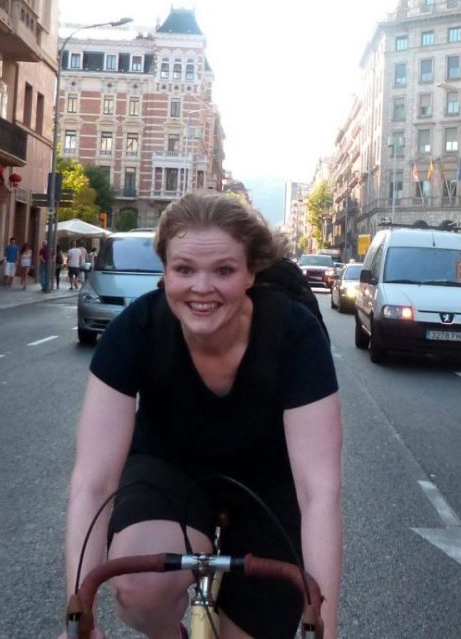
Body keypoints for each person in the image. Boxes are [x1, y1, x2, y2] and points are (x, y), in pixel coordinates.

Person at [64, 191, 342, 639]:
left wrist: (326, 630)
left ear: (251, 272)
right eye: (184, 269)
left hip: (269, 483)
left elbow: (319, 493)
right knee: (138, 589)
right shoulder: (135, 330)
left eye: (224, 271)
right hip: (168, 468)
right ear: (165, 270)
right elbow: (93, 482)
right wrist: (79, 613)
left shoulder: (295, 333)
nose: (202, 288)